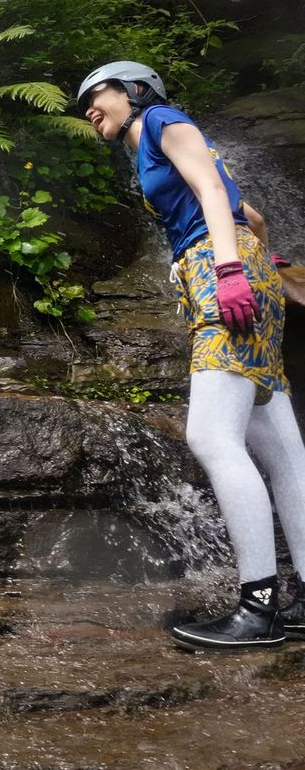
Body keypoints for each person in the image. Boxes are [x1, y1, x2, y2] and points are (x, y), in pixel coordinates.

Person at [77, 61, 305, 650]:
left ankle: (259, 609)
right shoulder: (151, 142)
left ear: (132, 90)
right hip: (240, 273)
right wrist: (266, 263)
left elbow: (209, 193)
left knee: (211, 436)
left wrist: (230, 269)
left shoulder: (160, 120)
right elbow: (245, 211)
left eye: (95, 94)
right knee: (283, 451)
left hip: (219, 275)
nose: (87, 108)